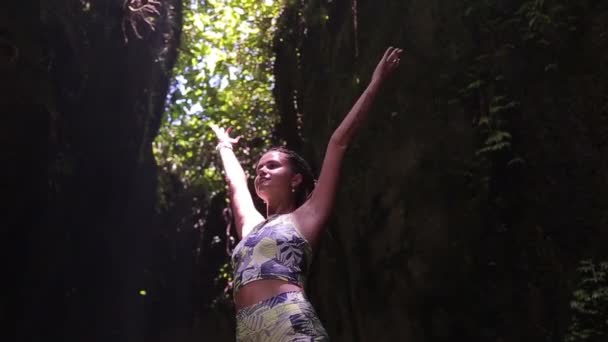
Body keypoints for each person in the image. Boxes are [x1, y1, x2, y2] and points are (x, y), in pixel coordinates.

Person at [210, 46, 403, 341]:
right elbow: (236, 182)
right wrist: (224, 146)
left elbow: (338, 142)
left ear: (296, 179)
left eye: (273, 166)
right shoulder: (251, 226)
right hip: (248, 332)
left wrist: (376, 81)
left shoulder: (306, 217)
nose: (262, 171)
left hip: (288, 320)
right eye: (259, 167)